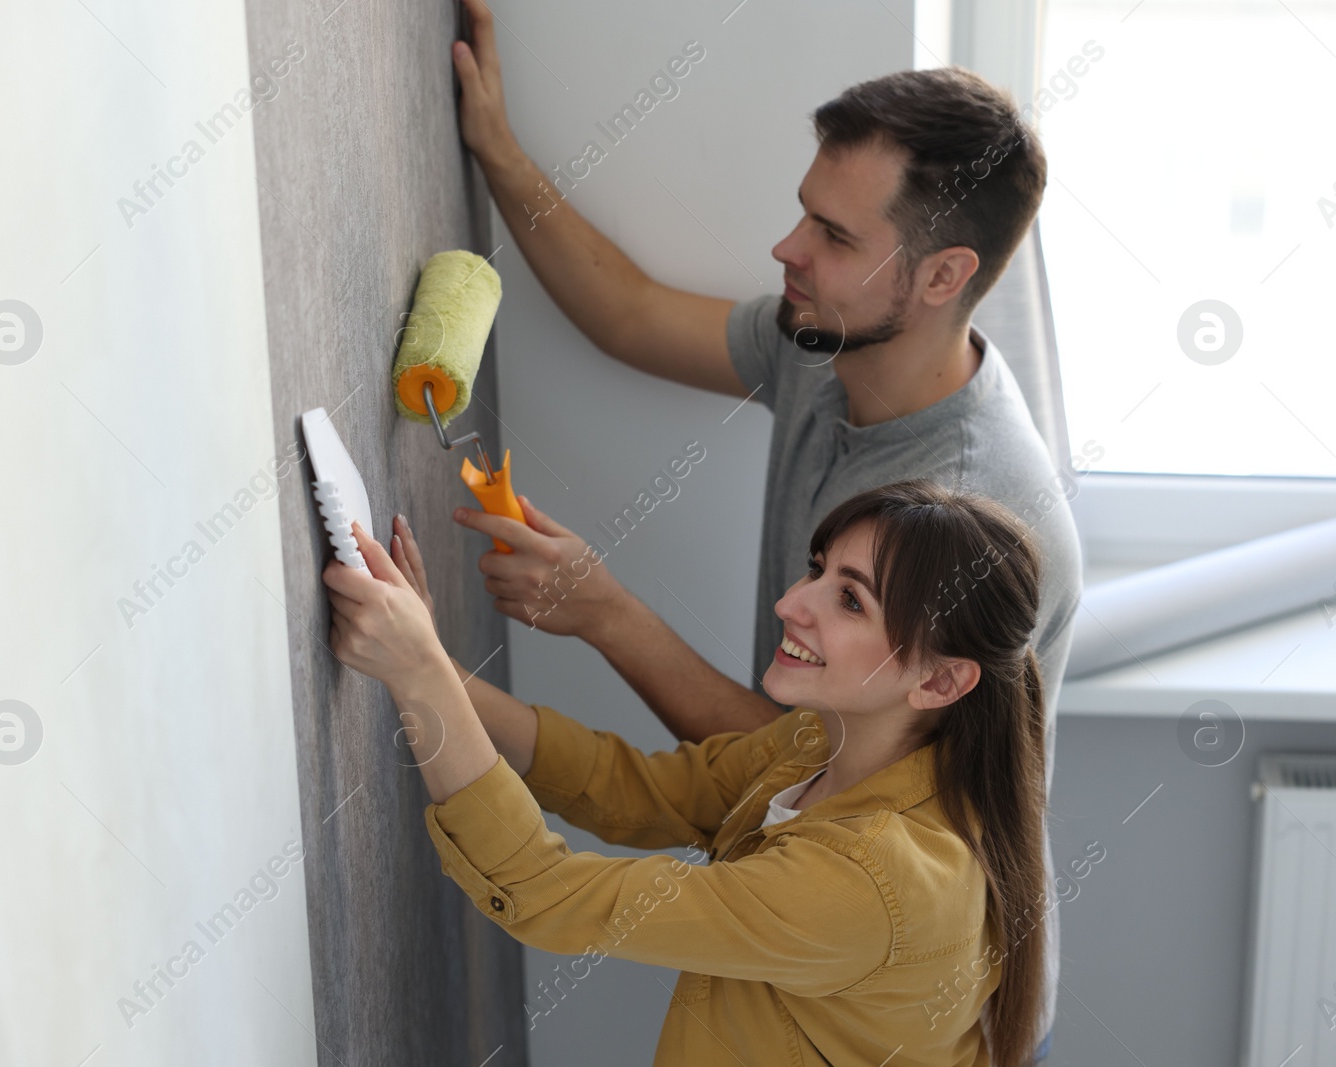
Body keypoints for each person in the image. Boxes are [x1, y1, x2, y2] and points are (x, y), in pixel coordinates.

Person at [450, 7, 1080, 1051]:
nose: (786, 249)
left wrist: (603, 611)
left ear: (940, 278)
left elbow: (794, 755)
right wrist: (496, 150)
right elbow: (633, 315)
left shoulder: (960, 509)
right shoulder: (827, 335)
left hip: (912, 998)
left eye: (833, 237)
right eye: (806, 213)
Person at [323, 481, 1050, 1066]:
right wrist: (440, 672)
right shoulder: (828, 738)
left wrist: (419, 677)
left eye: (850, 599)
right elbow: (629, 785)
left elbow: (547, 895)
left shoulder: (874, 882)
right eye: (818, 568)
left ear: (942, 682)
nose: (791, 604)